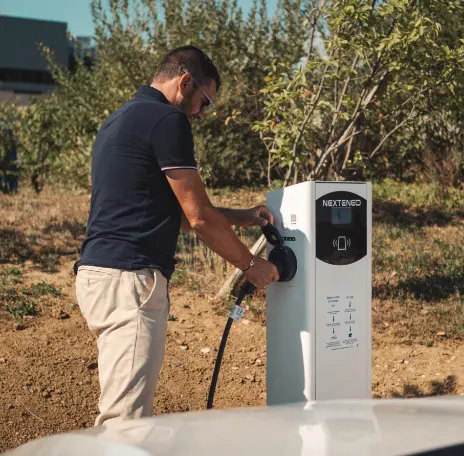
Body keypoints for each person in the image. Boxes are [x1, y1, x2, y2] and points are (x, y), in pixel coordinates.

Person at [75, 45, 279, 427]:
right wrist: (251, 265)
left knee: (121, 413)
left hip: (97, 277)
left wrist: (243, 217)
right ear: (185, 82)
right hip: (131, 282)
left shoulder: (118, 120)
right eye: (206, 101)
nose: (202, 114)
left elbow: (174, 215)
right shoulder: (168, 119)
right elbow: (199, 218)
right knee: (125, 425)